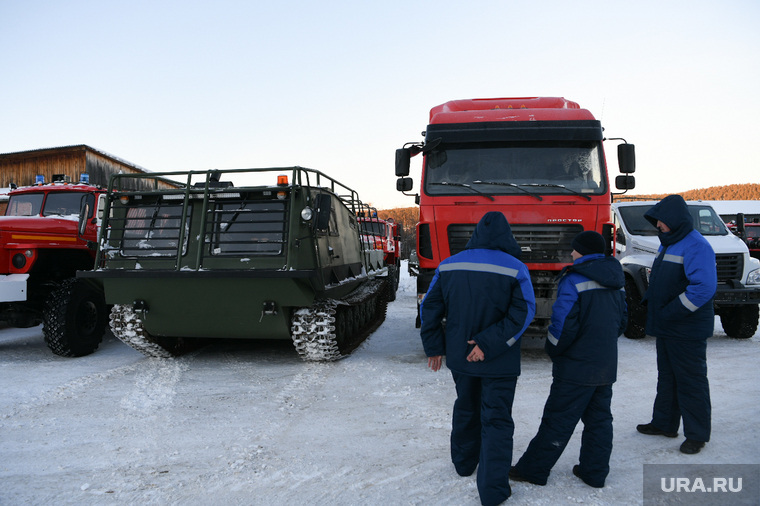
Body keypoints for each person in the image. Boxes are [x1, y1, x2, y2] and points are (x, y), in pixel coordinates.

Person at [420, 211, 535, 506]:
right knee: (496, 419)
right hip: (499, 360)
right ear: (507, 235)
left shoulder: (448, 265)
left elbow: (429, 308)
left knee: (466, 406)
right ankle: (493, 491)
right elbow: (524, 313)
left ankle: (463, 463)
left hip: (461, 357)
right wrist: (487, 344)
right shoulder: (516, 268)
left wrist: (434, 346)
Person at [510, 231, 627, 488]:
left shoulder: (574, 279)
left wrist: (552, 349)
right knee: (599, 420)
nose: (571, 253)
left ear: (582, 251)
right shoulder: (616, 278)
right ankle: (594, 473)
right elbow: (622, 322)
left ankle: (533, 469)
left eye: (575, 250)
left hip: (576, 366)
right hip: (605, 365)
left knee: (558, 418)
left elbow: (562, 325)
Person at [636, 194, 717, 455]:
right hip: (669, 326)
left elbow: (704, 288)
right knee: (668, 377)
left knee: (691, 382)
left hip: (686, 328)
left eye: (662, 221)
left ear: (675, 221)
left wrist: (671, 310)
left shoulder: (696, 246)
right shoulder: (670, 243)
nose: (658, 225)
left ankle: (697, 435)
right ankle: (665, 424)